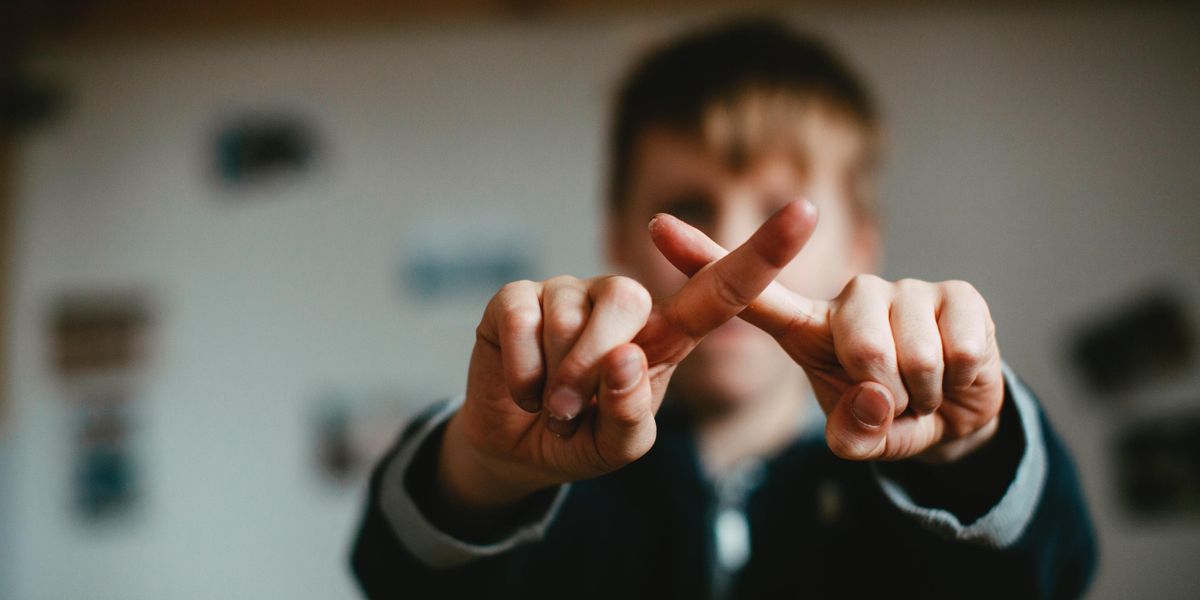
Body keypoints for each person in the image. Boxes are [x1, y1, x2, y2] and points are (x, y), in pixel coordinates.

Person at [350, 18, 1096, 599]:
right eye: (686, 206)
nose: (734, 252)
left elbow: (1051, 576)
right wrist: (483, 471)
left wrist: (971, 453)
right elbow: (396, 577)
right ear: (619, 237)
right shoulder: (552, 474)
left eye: (781, 213)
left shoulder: (907, 496)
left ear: (862, 248)